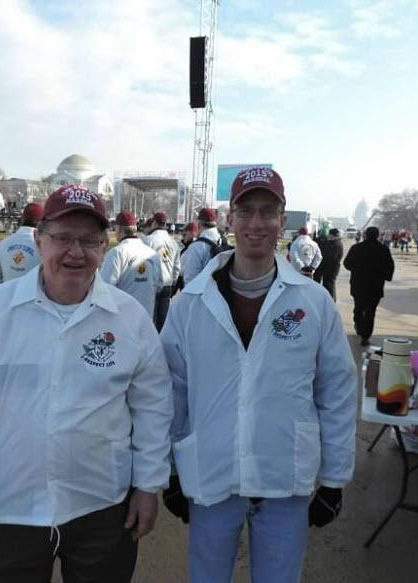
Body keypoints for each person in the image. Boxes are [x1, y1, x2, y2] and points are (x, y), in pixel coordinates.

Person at [0, 184, 173, 583]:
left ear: (104, 246)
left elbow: (153, 406)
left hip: (103, 506)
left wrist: (148, 485)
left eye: (89, 240)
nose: (75, 252)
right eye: (63, 238)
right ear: (40, 241)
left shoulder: (129, 318)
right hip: (9, 507)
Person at [160, 166, 357, 583]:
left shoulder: (314, 302)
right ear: (229, 218)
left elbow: (336, 391)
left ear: (283, 221)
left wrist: (335, 478)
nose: (256, 223)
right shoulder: (189, 305)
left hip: (283, 476)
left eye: (268, 212)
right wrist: (170, 471)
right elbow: (171, 393)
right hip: (212, 475)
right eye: (245, 211)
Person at [100, 210, 162, 316]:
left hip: (123, 321)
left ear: (119, 229)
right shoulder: (152, 254)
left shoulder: (116, 253)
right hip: (146, 319)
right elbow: (159, 285)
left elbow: (104, 290)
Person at [343, 226, 395, 347]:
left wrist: (356, 270)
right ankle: (365, 335)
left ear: (365, 235)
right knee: (371, 311)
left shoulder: (356, 248)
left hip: (358, 284)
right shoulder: (383, 249)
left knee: (358, 308)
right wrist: (384, 276)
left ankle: (359, 326)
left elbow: (347, 263)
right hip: (375, 286)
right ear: (377, 236)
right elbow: (390, 266)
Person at [0, 202, 43, 287]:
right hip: (34, 298)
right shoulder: (45, 248)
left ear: (22, 219)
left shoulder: (4, 243)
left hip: (6, 298)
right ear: (41, 222)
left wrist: (6, 294)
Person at [143, 211, 181, 331]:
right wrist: (173, 282)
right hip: (167, 285)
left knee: (149, 322)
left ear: (154, 222)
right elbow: (177, 267)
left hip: (151, 286)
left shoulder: (147, 240)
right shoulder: (173, 242)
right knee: (163, 323)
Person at [180, 207, 222, 286]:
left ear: (199, 224)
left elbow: (190, 279)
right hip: (221, 294)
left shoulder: (196, 247)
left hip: (202, 294)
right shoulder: (223, 241)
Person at [314, 228, 344, 300]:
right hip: (331, 268)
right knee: (328, 284)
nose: (328, 237)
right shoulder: (336, 242)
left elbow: (329, 257)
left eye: (329, 235)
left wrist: (320, 264)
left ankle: (331, 301)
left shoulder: (335, 244)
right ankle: (329, 300)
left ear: (332, 235)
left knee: (329, 285)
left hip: (331, 268)